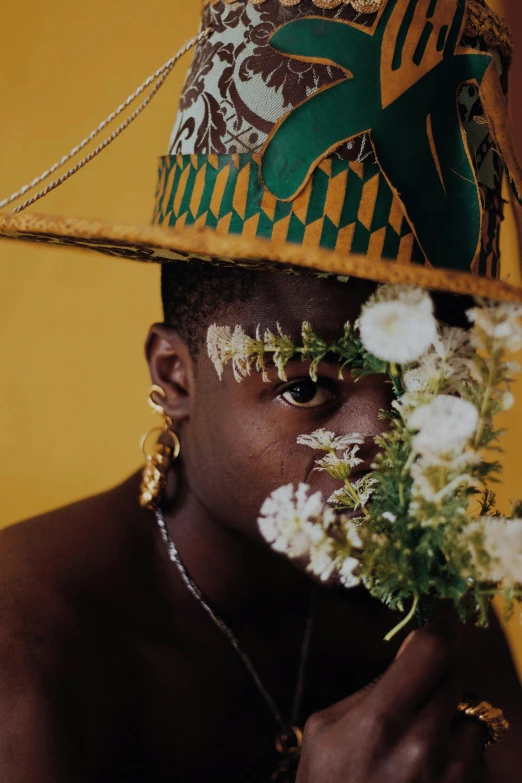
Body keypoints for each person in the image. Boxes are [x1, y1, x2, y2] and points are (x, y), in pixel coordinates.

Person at [0, 1, 521, 781]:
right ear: (175, 377)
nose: (386, 439)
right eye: (308, 385)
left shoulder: (432, 601)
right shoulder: (28, 653)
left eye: (424, 377)